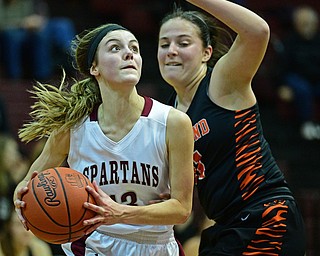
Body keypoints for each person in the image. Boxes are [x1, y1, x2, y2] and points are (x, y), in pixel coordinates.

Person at [13, 23, 194, 256]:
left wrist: (120, 213)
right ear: (94, 67)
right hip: (91, 245)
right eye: (115, 48)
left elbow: (181, 209)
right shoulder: (72, 127)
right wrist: (22, 199)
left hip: (154, 245)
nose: (129, 53)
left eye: (134, 48)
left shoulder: (173, 122)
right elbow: (28, 184)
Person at [157, 0, 306, 255]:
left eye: (183, 43)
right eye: (164, 44)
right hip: (226, 226)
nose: (171, 50)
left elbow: (258, 31)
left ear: (206, 52)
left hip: (265, 215)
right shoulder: (168, 113)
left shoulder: (221, 82)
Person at [0, 0, 76, 80]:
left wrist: (38, 20)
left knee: (63, 24)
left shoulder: (27, 2)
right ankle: (42, 75)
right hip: (18, 30)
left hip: (36, 27)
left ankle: (73, 54)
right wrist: (23, 23)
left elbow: (40, 13)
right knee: (40, 36)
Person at [277, 5, 320, 140]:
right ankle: (306, 123)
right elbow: (280, 68)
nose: (308, 27)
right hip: (296, 78)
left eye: (311, 24)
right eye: (304, 24)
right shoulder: (289, 42)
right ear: (296, 25)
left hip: (316, 77)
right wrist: (281, 87)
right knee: (303, 89)